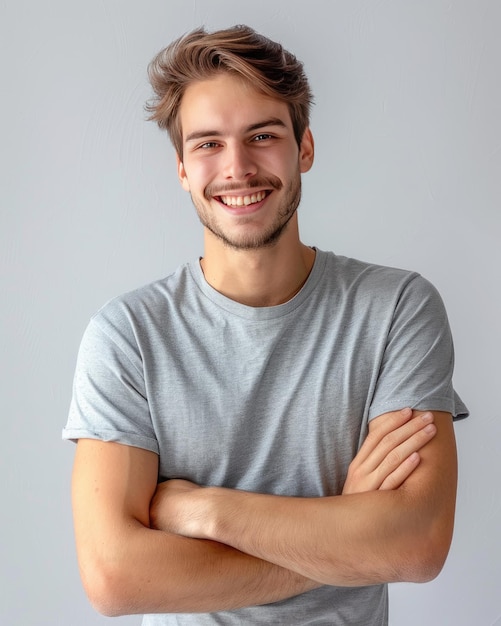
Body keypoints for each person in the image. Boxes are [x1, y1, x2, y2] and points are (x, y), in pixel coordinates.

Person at [63, 25, 468, 625]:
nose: (238, 167)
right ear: (180, 167)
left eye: (262, 135)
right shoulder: (128, 336)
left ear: (304, 147)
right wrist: (344, 529)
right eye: (207, 144)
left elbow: (416, 544)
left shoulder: (396, 309)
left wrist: (204, 511)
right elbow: (115, 578)